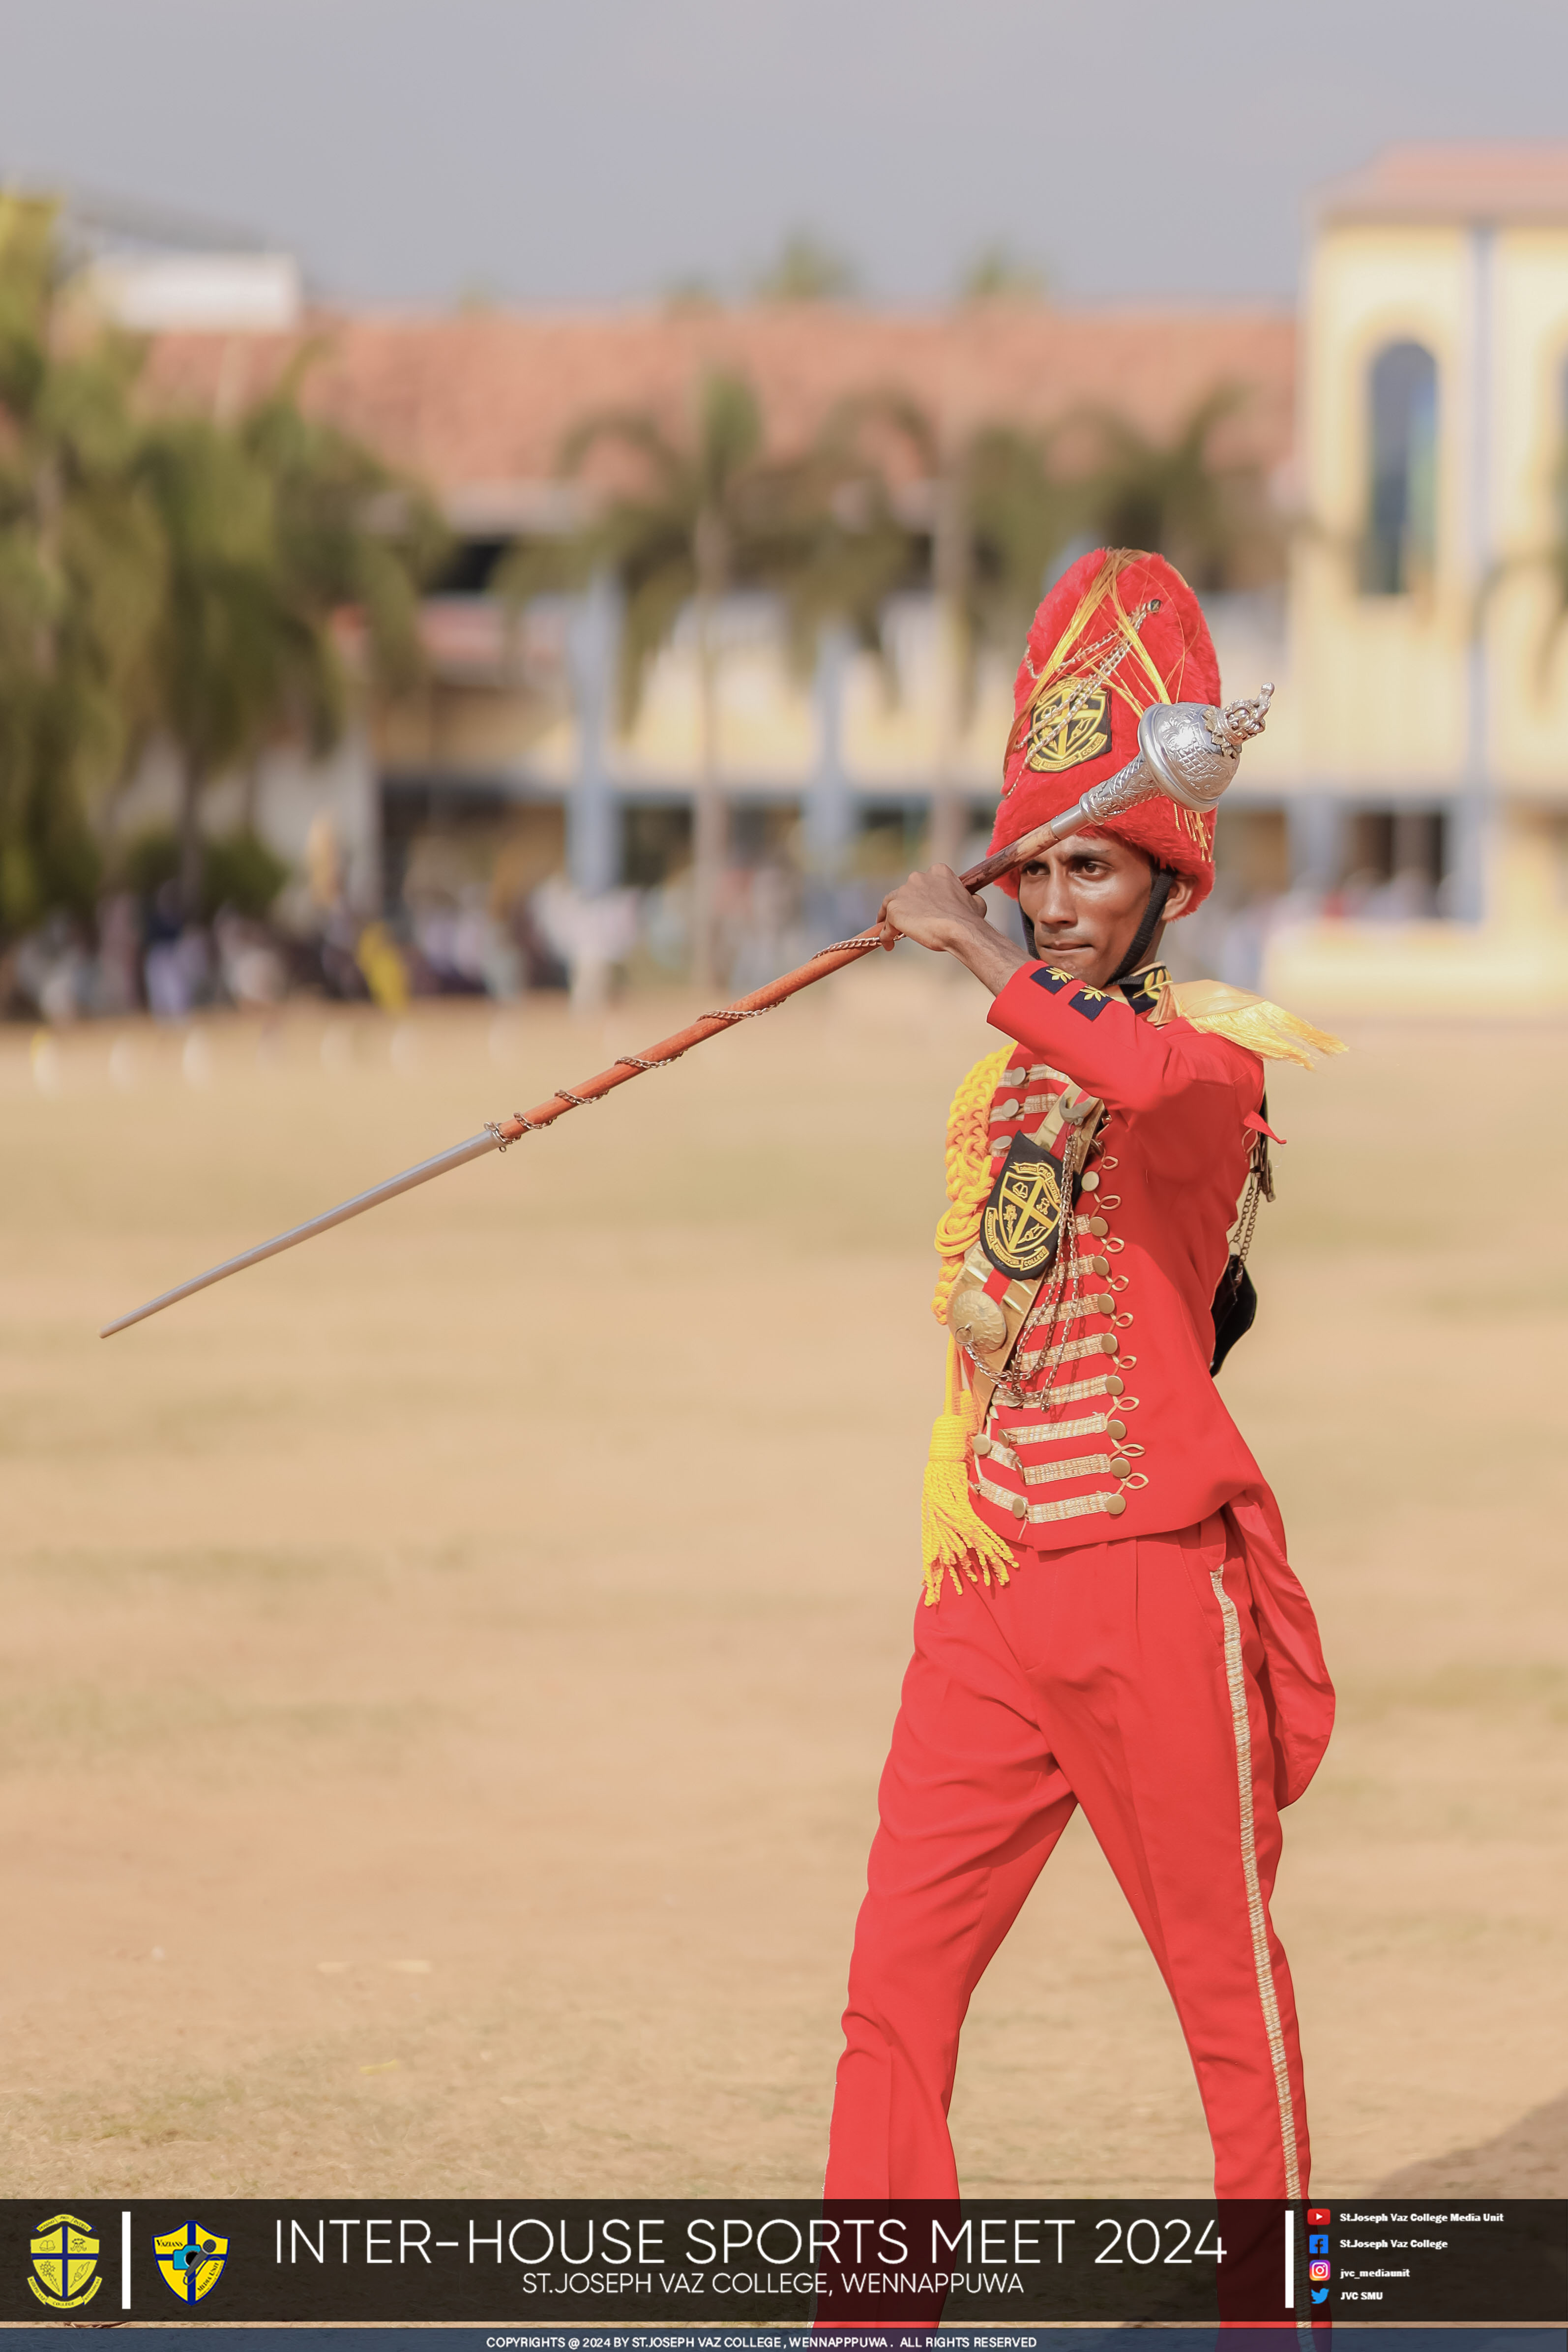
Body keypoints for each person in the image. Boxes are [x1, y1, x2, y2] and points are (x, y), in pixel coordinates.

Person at [824, 547, 1340, 2205]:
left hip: (1147, 1592)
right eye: (1035, 869)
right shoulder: (1008, 1083)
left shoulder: (1214, 1065)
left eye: (1094, 870)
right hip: (987, 1591)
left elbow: (1111, 1055)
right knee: (893, 1991)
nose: (1055, 903)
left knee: (1227, 2009)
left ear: (1168, 888)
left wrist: (976, 958)